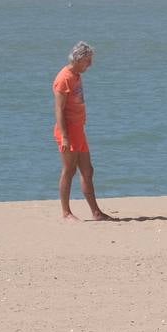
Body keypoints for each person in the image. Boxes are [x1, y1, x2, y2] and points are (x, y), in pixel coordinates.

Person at [53, 41, 113, 222]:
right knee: (69, 170)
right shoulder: (63, 78)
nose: (90, 65)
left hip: (79, 131)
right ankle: (66, 213)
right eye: (88, 61)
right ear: (78, 59)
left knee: (87, 171)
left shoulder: (77, 75)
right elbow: (59, 110)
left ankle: (96, 212)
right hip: (68, 132)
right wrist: (64, 137)